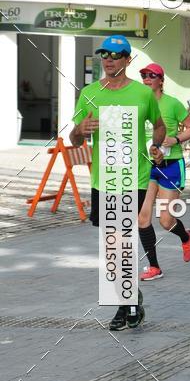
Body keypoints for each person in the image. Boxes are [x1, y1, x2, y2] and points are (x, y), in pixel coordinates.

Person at [70, 35, 166, 330]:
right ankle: (132, 300)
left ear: (127, 59)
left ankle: (123, 307)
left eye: (115, 54)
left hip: (133, 179)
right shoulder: (89, 93)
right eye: (104, 54)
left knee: (122, 241)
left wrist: (155, 146)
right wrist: (80, 129)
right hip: (104, 180)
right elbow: (74, 139)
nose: (109, 59)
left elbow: (159, 126)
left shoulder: (142, 94)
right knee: (112, 246)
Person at [136, 63, 190, 281]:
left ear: (160, 80)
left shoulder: (172, 104)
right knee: (142, 217)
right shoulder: (139, 103)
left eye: (151, 75)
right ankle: (154, 267)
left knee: (165, 220)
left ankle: (185, 236)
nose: (146, 78)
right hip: (147, 165)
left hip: (171, 166)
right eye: (143, 75)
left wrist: (176, 139)